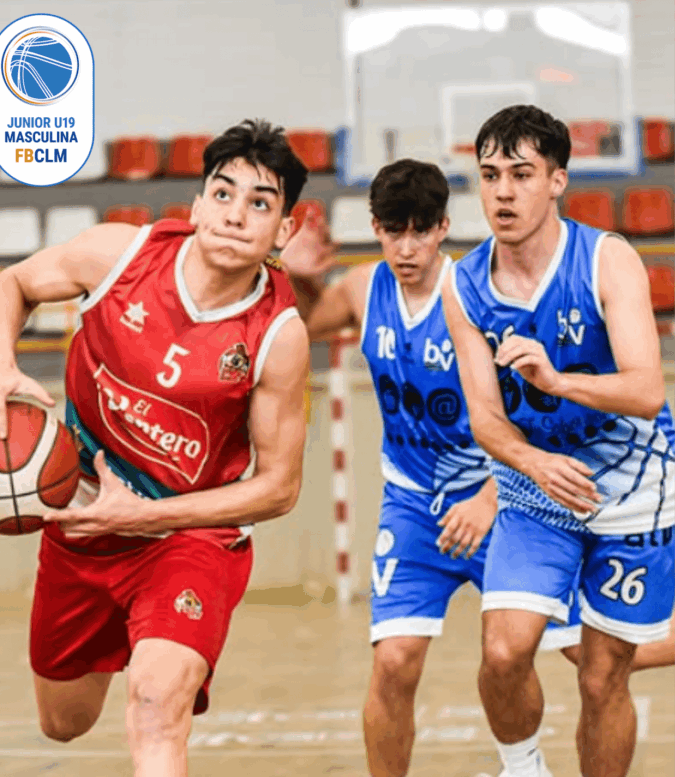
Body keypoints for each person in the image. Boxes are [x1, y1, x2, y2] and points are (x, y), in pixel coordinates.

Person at [0, 119, 311, 777]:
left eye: (260, 203)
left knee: (156, 705)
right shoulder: (118, 257)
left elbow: (279, 488)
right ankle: (139, 641)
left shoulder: (278, 334)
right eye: (223, 193)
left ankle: (165, 648)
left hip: (189, 536)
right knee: (63, 722)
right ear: (197, 205)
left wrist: (146, 515)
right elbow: (12, 283)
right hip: (81, 521)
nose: (235, 215)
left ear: (285, 230)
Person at [442, 104, 675, 777]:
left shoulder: (607, 259)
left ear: (557, 181)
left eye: (521, 174)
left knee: (602, 675)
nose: (503, 191)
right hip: (536, 487)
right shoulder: (463, 284)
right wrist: (532, 462)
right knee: (503, 651)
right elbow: (486, 418)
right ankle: (523, 768)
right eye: (490, 175)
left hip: (632, 488)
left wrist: (558, 380)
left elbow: (646, 390)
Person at [282, 158, 498, 777]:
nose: (407, 248)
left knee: (529, 653)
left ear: (443, 228)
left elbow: (531, 412)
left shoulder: (478, 295)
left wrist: (491, 496)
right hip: (412, 505)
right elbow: (301, 326)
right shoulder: (361, 288)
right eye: (394, 231)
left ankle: (523, 762)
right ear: (375, 228)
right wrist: (297, 277)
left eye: (420, 231)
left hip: (494, 496)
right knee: (394, 661)